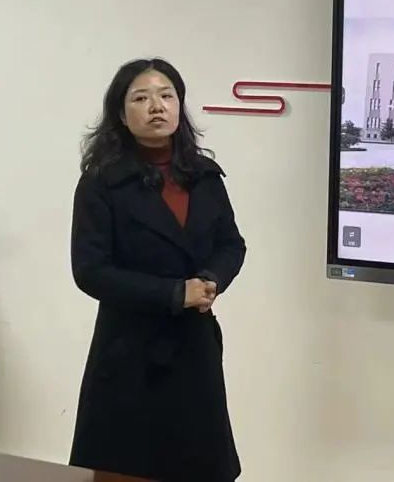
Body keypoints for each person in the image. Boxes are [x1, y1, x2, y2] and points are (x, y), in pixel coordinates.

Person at [70, 58, 246, 482]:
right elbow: (90, 270)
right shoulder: (101, 182)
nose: (156, 106)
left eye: (167, 96)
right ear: (120, 113)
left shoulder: (204, 176)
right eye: (141, 98)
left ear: (179, 106)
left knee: (201, 467)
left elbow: (231, 244)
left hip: (194, 348)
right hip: (128, 353)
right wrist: (174, 294)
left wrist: (212, 280)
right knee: (125, 469)